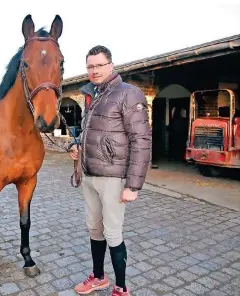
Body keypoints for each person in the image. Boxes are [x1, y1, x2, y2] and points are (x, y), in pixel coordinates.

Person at [68, 45, 152, 296]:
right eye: (90, 66)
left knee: (112, 232)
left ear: (111, 65)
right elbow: (90, 132)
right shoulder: (91, 96)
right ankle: (99, 277)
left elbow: (141, 140)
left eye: (98, 65)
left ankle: (121, 287)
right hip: (89, 175)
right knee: (95, 229)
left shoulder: (128, 94)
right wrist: (77, 145)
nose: (94, 70)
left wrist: (133, 185)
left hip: (114, 178)